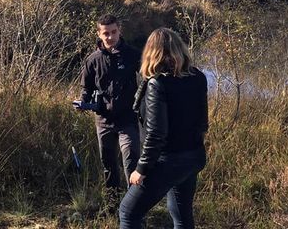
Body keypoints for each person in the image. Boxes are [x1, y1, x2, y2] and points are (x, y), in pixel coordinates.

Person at [119, 28, 208, 229]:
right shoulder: (198, 77)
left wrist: (141, 169)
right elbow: (203, 123)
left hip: (168, 160)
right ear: (180, 48)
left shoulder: (157, 84)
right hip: (194, 156)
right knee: (181, 213)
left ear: (151, 52)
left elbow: (156, 133)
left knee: (128, 212)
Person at [74, 14, 141, 201]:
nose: (110, 37)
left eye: (113, 32)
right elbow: (86, 87)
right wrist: (83, 102)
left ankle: (134, 206)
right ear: (99, 34)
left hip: (127, 119)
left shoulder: (133, 55)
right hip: (103, 120)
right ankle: (112, 204)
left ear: (119, 30)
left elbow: (148, 78)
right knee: (108, 163)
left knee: (131, 162)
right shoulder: (93, 59)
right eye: (106, 33)